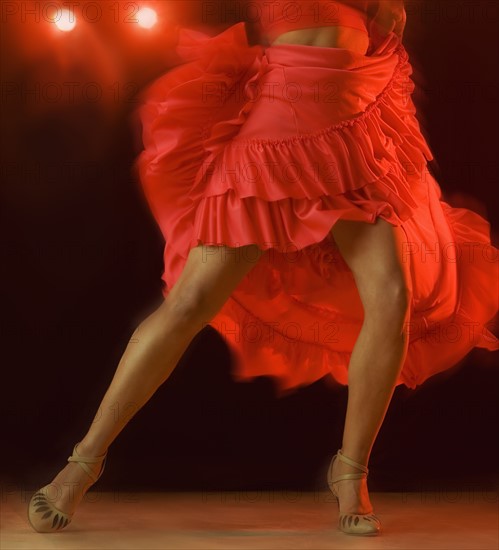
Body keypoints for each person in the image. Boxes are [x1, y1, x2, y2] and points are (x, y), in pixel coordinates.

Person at [28, 0, 498, 537]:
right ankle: (82, 464)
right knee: (190, 302)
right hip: (278, 128)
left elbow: (389, 23)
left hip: (355, 125)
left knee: (392, 300)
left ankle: (350, 471)